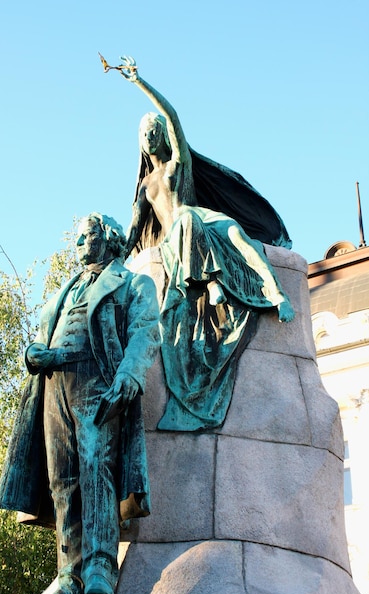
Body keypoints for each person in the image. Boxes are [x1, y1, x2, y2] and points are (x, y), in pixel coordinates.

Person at [103, 56, 295, 431]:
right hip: (178, 233)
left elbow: (174, 118)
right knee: (187, 221)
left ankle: (276, 294)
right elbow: (132, 234)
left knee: (239, 235)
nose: (149, 134)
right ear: (140, 143)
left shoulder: (179, 164)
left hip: (198, 219)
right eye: (143, 132)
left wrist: (140, 83)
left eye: (152, 128)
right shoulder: (145, 187)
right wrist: (114, 266)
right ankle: (209, 283)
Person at [0, 213, 160, 594]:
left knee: (95, 469)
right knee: (62, 479)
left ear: (107, 238)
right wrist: (33, 352)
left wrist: (128, 376)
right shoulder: (64, 291)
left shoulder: (133, 282)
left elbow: (146, 331)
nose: (79, 244)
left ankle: (101, 566)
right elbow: (42, 334)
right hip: (54, 383)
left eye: (86, 236)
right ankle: (68, 576)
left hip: (97, 381)